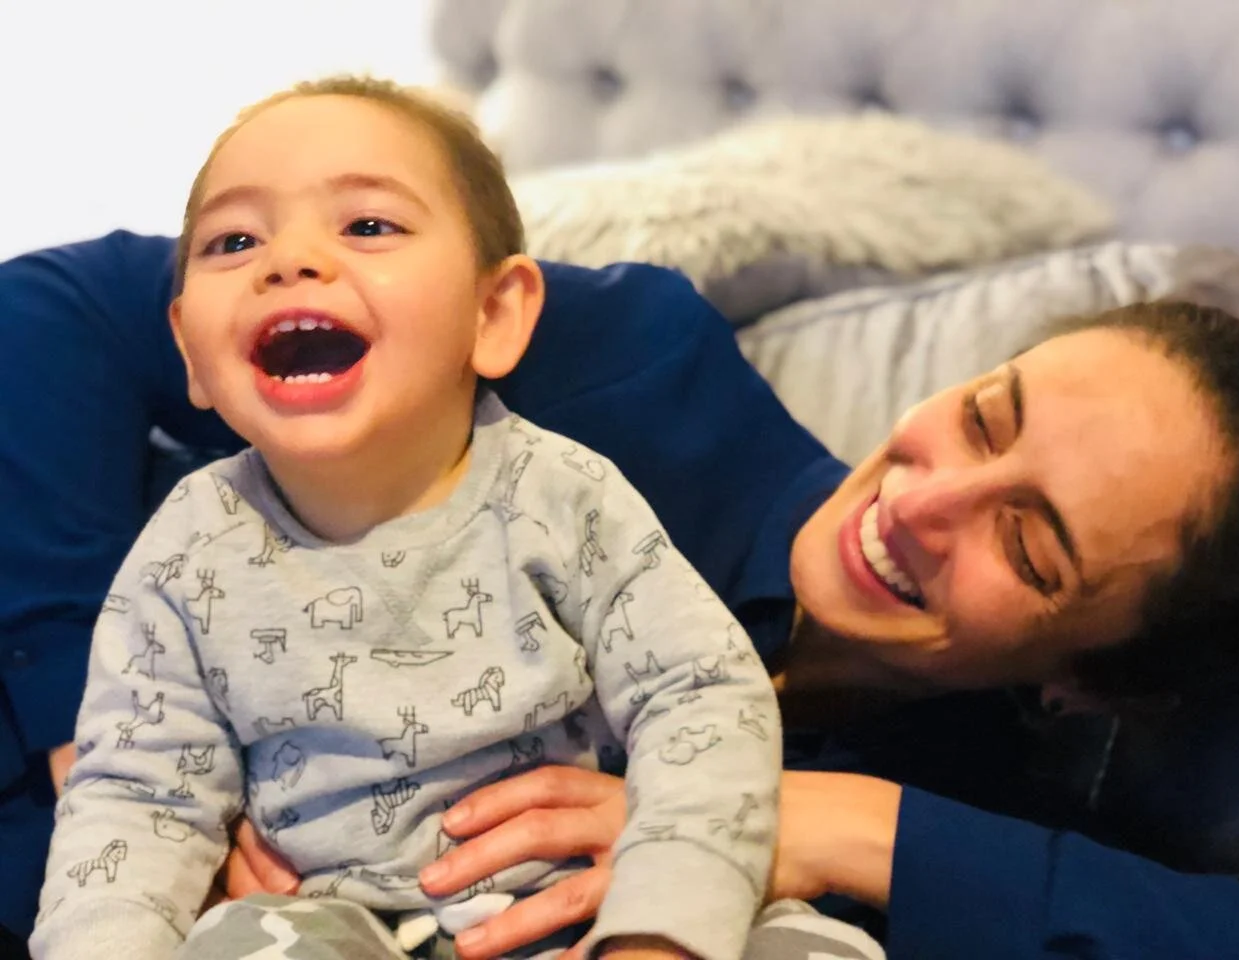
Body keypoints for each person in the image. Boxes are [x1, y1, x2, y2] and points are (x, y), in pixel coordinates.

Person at [3, 139, 1239, 960]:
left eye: (1028, 544)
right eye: (980, 415)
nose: (922, 500)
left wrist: (832, 825)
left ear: (1094, 682)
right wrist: (97, 737)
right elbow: (43, 314)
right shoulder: (642, 372)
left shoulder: (974, 816)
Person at [27, 76, 809, 960]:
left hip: (576, 904)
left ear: (494, 313)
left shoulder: (564, 495)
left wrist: (662, 928)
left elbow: (698, 696)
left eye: (367, 225)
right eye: (234, 240)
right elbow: (139, 798)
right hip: (325, 920)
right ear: (189, 354)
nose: (288, 260)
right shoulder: (188, 547)